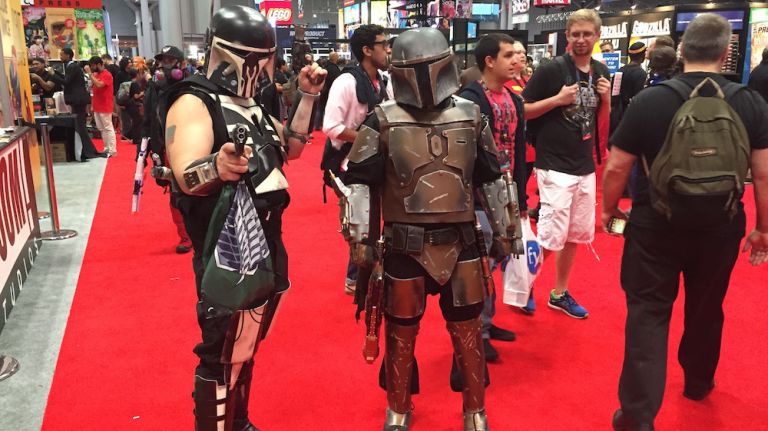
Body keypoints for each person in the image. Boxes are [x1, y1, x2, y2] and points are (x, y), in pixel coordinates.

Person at [341, 27, 518, 431]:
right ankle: (399, 407)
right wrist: (362, 243)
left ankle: (475, 408)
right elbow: (361, 183)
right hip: (404, 244)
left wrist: (507, 232)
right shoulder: (384, 119)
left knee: (468, 329)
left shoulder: (471, 115)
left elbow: (493, 177)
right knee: (401, 331)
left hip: (462, 241)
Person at [163, 6, 326, 430]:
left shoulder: (251, 104)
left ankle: (238, 421)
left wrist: (306, 97)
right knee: (222, 349)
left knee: (245, 343)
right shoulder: (194, 102)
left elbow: (290, 148)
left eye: (265, 57)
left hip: (267, 240)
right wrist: (216, 166)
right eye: (251, 57)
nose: (259, 67)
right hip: (227, 245)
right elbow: (184, 175)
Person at [602, 13, 768, 431]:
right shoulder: (749, 101)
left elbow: (616, 166)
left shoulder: (649, 101)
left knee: (648, 315)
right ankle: (698, 381)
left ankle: (638, 416)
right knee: (707, 307)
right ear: (725, 51)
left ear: (682, 50)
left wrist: (608, 210)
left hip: (653, 227)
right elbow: (763, 173)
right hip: (721, 227)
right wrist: (764, 229)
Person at [521, 8, 611, 319]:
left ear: (597, 36)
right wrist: (556, 101)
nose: (582, 39)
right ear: (567, 37)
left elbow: (602, 126)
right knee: (550, 236)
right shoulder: (551, 70)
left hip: (584, 164)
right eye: (576, 34)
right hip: (554, 163)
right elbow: (523, 109)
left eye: (588, 34)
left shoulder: (601, 72)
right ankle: (524, 285)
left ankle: (559, 293)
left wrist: (608, 100)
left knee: (575, 235)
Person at [457, 33, 527, 362]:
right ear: (489, 61)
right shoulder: (468, 100)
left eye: (517, 54)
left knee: (496, 259)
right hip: (478, 199)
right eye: (509, 55)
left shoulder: (514, 99)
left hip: (507, 193)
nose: (517, 60)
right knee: (479, 267)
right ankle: (478, 332)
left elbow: (520, 152)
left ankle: (487, 321)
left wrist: (521, 200)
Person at [322, 24, 392, 295]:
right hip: (351, 165)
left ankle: (372, 271)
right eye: (382, 43)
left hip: (379, 162)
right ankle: (356, 278)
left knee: (381, 221)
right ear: (366, 50)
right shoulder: (346, 81)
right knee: (362, 226)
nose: (387, 49)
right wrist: (370, 138)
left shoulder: (383, 80)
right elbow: (331, 127)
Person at [141, 45, 192, 254]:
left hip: (191, 143)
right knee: (175, 192)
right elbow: (149, 118)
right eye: (163, 61)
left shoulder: (192, 85)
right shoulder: (155, 87)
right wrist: (144, 149)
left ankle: (202, 231)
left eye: (171, 61)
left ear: (181, 64)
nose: (166, 65)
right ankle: (185, 236)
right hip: (165, 146)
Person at [59, 47, 106, 160]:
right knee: (80, 126)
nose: (60, 57)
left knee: (81, 126)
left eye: (62, 54)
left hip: (78, 100)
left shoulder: (73, 67)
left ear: (68, 55)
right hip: (77, 100)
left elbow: (66, 82)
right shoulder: (71, 66)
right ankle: (85, 150)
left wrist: (53, 75)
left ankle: (87, 151)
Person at [610, 42, 647, 135]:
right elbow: (639, 97)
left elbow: (614, 94)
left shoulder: (619, 71)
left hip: (616, 115)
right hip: (630, 115)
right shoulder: (641, 73)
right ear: (643, 56)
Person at [87, 56, 117, 157]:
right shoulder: (96, 74)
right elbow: (94, 90)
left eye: (93, 66)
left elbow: (100, 85)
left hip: (105, 105)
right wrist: (92, 105)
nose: (92, 68)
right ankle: (106, 148)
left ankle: (112, 150)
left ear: (99, 65)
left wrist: (90, 75)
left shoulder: (107, 74)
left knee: (108, 127)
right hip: (97, 105)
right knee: (101, 129)